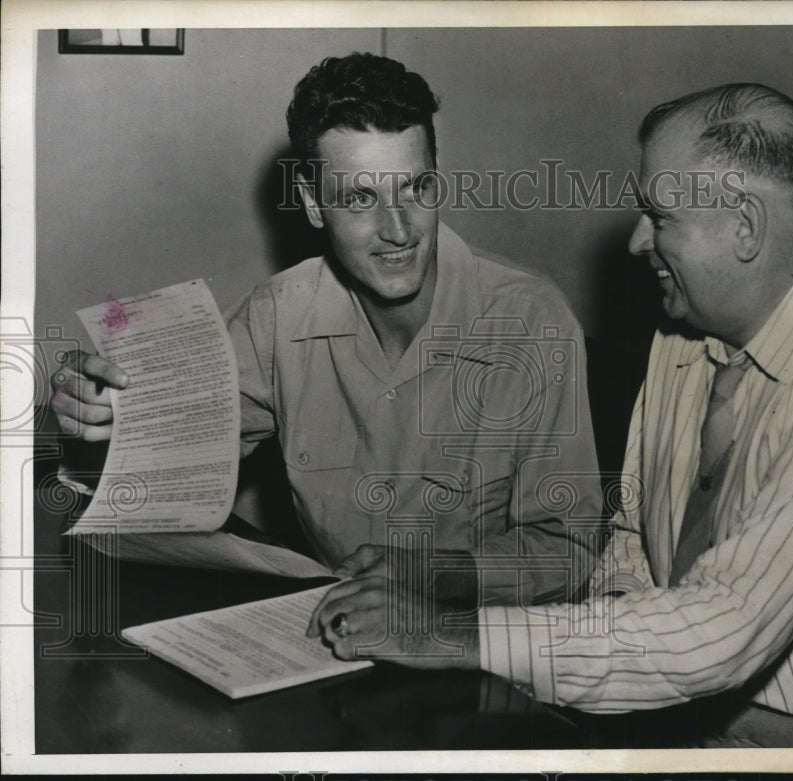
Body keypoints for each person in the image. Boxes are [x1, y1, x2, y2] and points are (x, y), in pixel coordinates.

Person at [310, 83, 793, 746]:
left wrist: (447, 633)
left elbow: (721, 628)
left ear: (745, 226)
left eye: (659, 215)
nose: (635, 241)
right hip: (691, 710)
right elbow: (630, 546)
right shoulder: (683, 334)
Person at [49, 53, 601, 606]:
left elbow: (568, 549)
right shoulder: (277, 314)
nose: (399, 229)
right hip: (329, 639)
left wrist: (433, 575)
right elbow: (165, 452)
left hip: (478, 650)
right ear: (314, 204)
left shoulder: (530, 320)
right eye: (361, 198)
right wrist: (102, 408)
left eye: (416, 188)